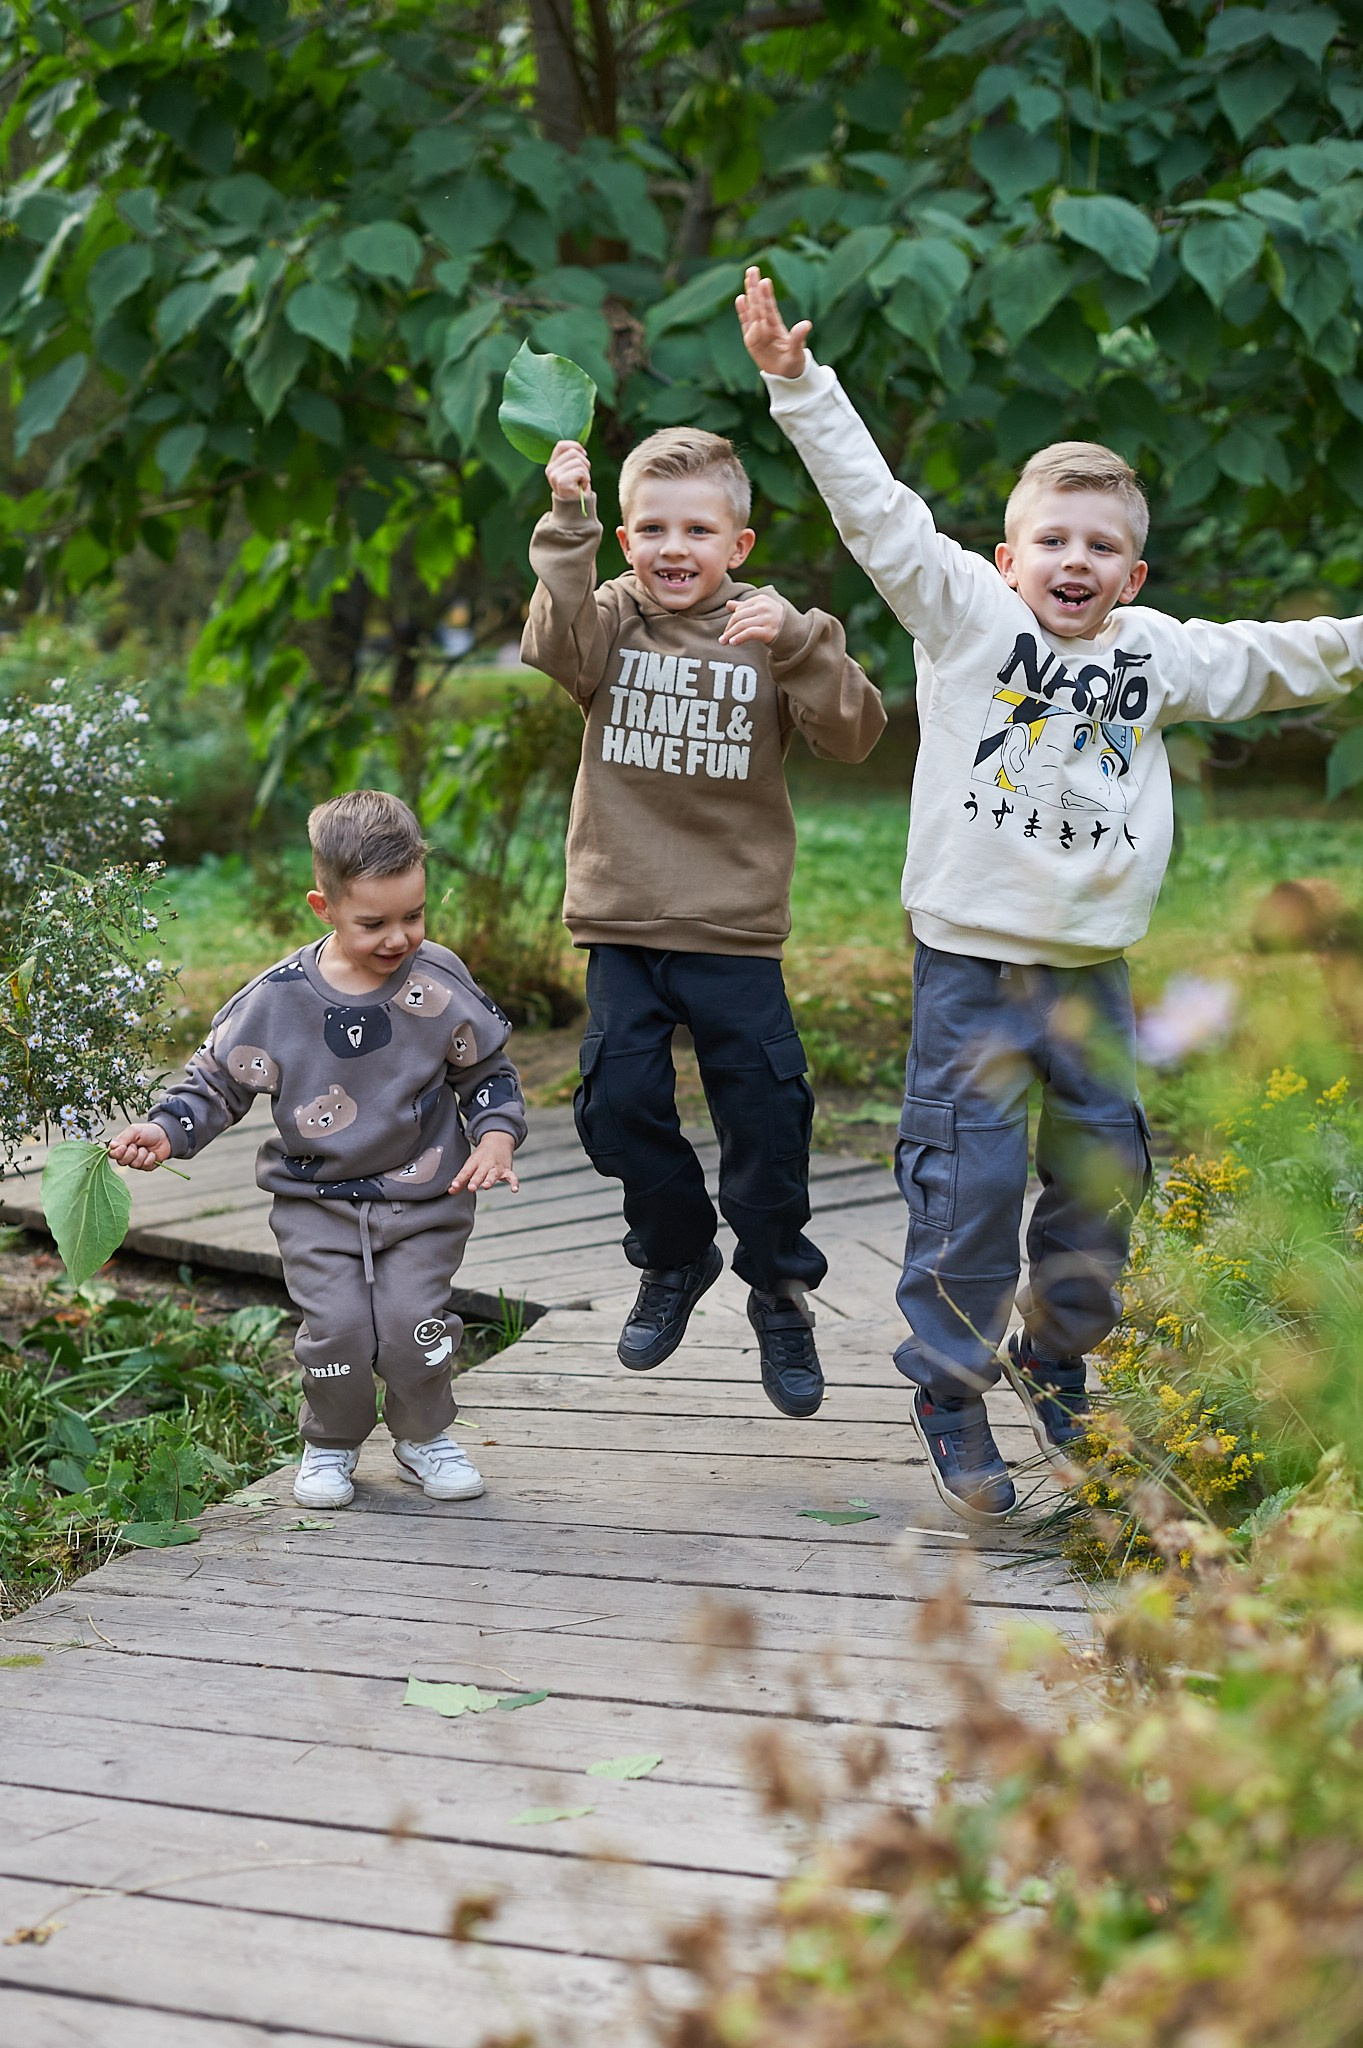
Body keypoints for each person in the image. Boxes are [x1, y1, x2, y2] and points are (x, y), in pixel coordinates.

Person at [737, 264, 1363, 1521]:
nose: (1076, 562)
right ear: (1007, 554)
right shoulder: (965, 618)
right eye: (1055, 542)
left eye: (1102, 548)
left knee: (1101, 1176)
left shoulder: (1156, 653)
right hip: (970, 971)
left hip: (1091, 974)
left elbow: (1285, 655)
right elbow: (879, 514)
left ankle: (1054, 1356)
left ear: (1132, 574)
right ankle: (950, 1388)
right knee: (966, 1185)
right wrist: (799, 387)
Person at [520, 427, 886, 1416]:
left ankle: (776, 1287)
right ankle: (676, 1256)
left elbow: (855, 735)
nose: (671, 546)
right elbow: (551, 642)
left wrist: (801, 640)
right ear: (628, 536)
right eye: (650, 527)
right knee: (615, 1104)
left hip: (732, 926)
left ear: (739, 542)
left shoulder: (772, 630)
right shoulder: (610, 618)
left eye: (696, 528)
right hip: (623, 922)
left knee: (768, 1121)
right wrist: (570, 523)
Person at [110, 790, 526, 1510]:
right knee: (333, 1330)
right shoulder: (276, 1002)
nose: (398, 938)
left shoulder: (439, 979)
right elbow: (216, 1083)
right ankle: (330, 1445)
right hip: (316, 1206)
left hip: (424, 1201)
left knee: (410, 1328)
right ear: (322, 906)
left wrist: (493, 1137)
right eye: (373, 923)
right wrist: (165, 1130)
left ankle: (422, 1438)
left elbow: (486, 1072)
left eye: (413, 916)